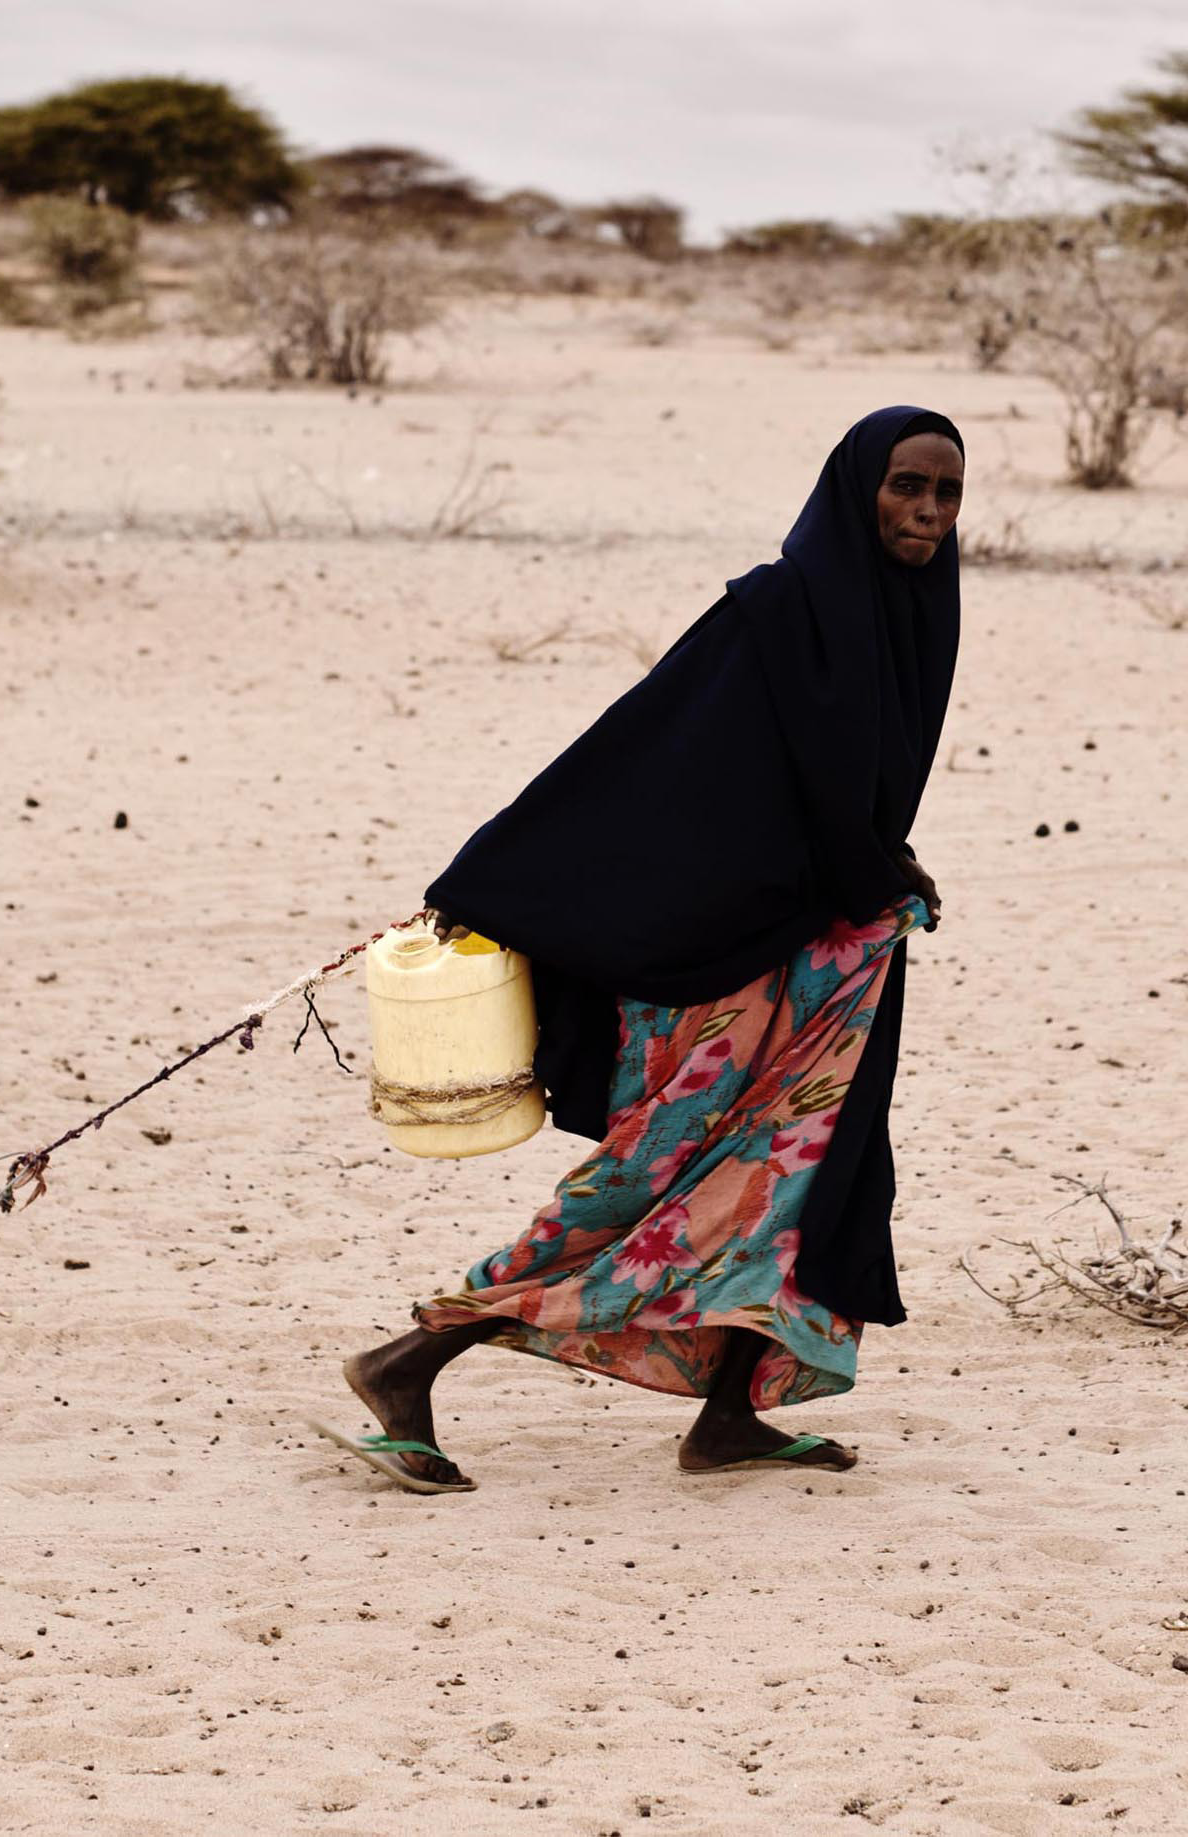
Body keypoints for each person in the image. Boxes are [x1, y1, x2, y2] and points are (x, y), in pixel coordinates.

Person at [318, 407, 964, 1491]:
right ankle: (408, 1358)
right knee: (653, 1186)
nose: (928, 512)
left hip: (830, 961)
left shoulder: (916, 611)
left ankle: (730, 1417)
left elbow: (842, 793)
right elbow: (645, 756)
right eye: (907, 486)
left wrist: (882, 866)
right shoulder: (776, 610)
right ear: (858, 487)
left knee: (805, 1182)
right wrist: (491, 881)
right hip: (726, 960)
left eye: (946, 493)